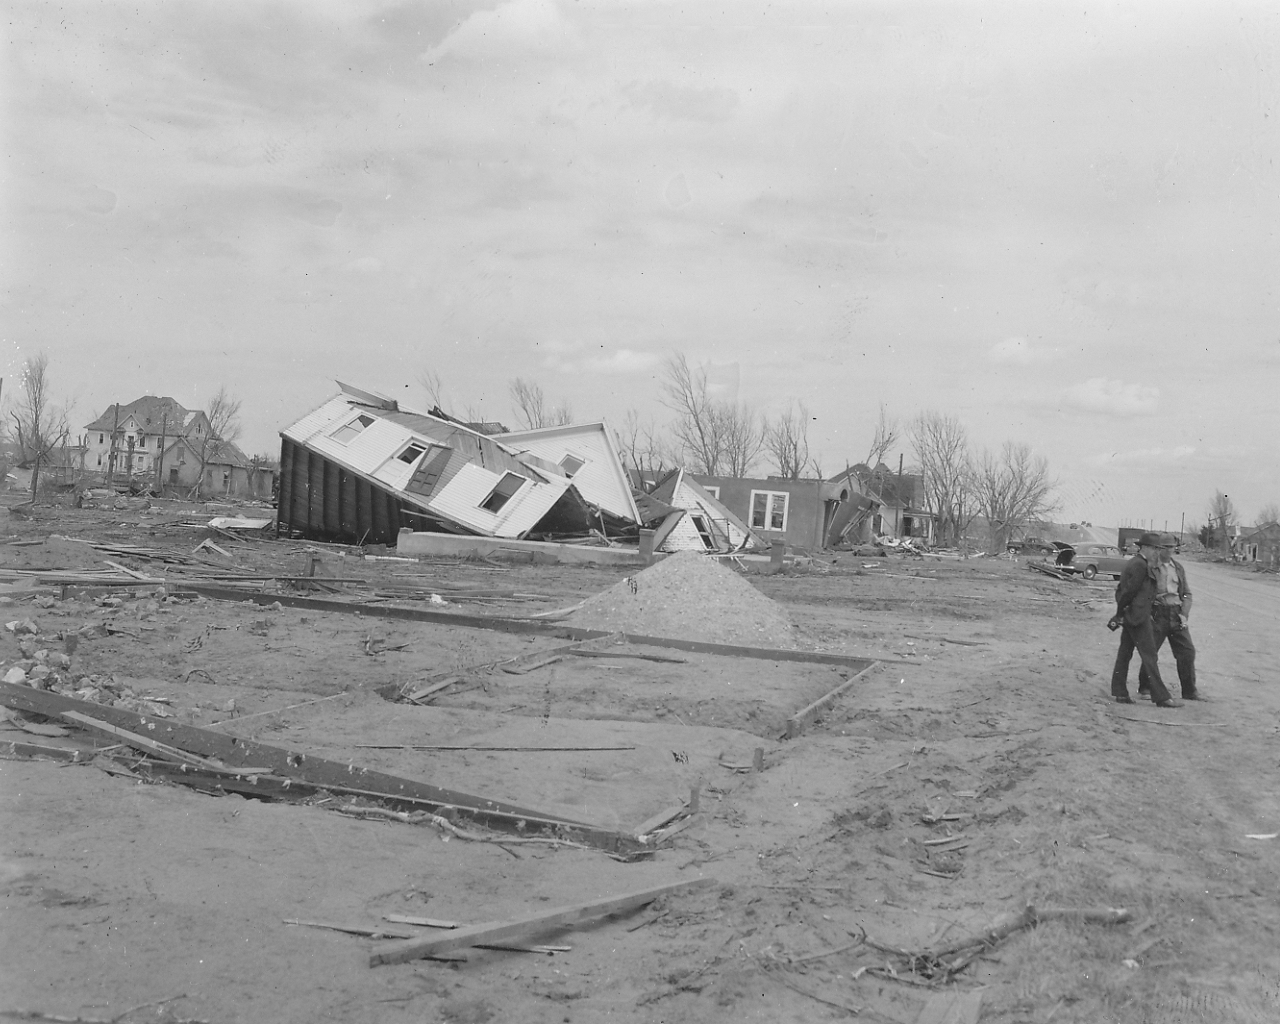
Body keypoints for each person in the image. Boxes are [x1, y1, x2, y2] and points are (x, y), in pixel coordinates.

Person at [1108, 531, 1181, 707]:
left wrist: (1122, 614)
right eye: (1155, 548)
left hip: (1132, 615)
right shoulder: (1140, 565)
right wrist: (1120, 613)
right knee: (1150, 656)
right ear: (1146, 548)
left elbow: (1123, 591)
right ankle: (1161, 697)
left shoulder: (1137, 563)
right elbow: (1127, 593)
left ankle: (1120, 693)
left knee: (1124, 654)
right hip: (1137, 617)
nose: (1157, 552)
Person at [1136, 533, 1202, 700]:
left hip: (1176, 614)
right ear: (1159, 549)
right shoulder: (1150, 567)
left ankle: (1189, 691)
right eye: (1165, 547)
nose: (1169, 551)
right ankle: (1145, 688)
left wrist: (1184, 614)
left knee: (1187, 652)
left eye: (1172, 547)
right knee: (1151, 651)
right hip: (1157, 613)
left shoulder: (1178, 568)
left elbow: (1187, 594)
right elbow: (1142, 593)